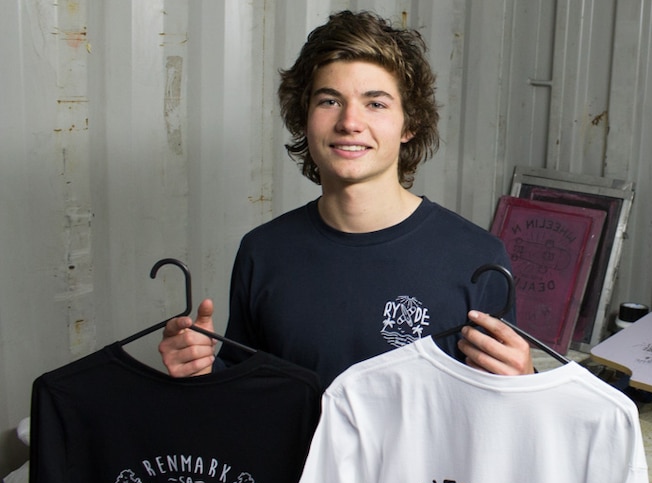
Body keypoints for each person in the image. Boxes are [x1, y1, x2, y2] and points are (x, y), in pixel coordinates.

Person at [158, 10, 534, 386]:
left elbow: (496, 413)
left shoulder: (476, 257)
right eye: (329, 101)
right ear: (304, 117)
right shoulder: (263, 251)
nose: (350, 122)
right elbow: (244, 390)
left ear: (410, 123)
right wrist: (201, 369)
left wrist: (524, 380)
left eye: (376, 103)